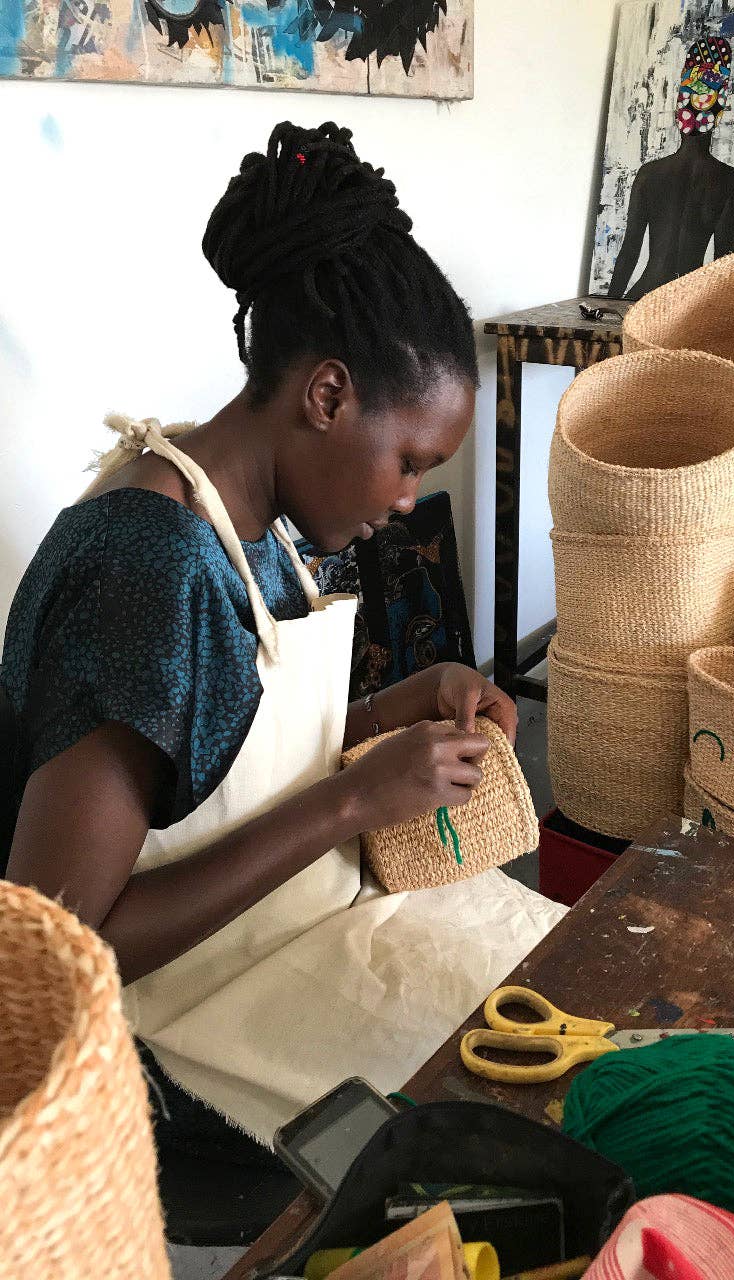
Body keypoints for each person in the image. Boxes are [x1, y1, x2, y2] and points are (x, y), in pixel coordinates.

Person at [1, 121, 565, 1153]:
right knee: (496, 1128)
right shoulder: (153, 567)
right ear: (328, 394)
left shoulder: (260, 525)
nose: (407, 500)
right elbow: (60, 942)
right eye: (409, 461)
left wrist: (400, 705)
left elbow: (216, 765)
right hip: (155, 1038)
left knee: (548, 1004)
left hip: (281, 932)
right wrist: (354, 795)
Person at [608, 35, 734, 302]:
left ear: (678, 108)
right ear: (719, 112)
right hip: (689, 304)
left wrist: (605, 310)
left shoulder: (650, 174)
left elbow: (629, 252)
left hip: (643, 299)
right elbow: (724, 261)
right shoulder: (729, 180)